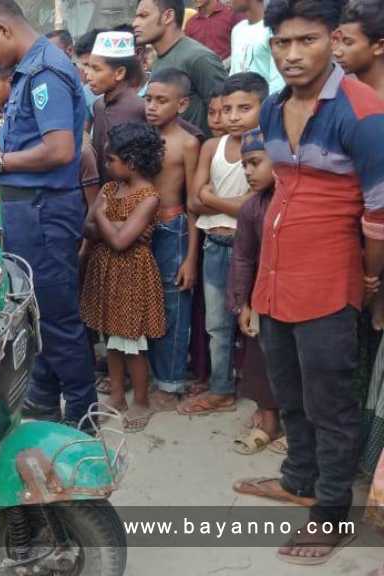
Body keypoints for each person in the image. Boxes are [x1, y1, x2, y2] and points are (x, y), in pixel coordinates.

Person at [231, 0, 384, 565]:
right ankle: (298, 478)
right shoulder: (271, 109)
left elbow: (380, 214)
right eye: (282, 43)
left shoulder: (362, 113)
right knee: (289, 393)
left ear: (335, 39)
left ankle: (330, 513)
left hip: (329, 281)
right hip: (276, 279)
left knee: (331, 405)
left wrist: (368, 277)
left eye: (308, 41)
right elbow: (279, 192)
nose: (293, 54)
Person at [0, 0, 98, 429]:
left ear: (4, 29)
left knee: (57, 316)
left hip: (44, 211)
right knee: (32, 308)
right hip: (29, 210)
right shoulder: (30, 70)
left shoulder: (45, 73)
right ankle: (43, 397)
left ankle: (84, 414)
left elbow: (60, 149)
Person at [180, 72, 268, 416]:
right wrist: (228, 203)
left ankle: (263, 398)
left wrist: (211, 198)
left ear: (264, 106)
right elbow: (193, 201)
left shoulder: (265, 148)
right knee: (217, 324)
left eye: (243, 108)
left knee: (257, 327)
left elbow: (251, 205)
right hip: (215, 245)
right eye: (227, 108)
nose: (233, 116)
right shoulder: (212, 147)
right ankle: (221, 389)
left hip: (252, 248)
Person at [81, 122, 166, 432]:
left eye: (111, 160)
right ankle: (117, 396)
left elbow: (118, 241)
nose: (106, 165)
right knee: (111, 339)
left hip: (132, 274)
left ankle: (141, 400)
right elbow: (87, 228)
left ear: (130, 162)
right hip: (106, 270)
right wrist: (111, 228)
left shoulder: (149, 197)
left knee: (132, 341)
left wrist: (104, 218)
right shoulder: (108, 189)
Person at [144, 67, 201, 407]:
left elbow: (194, 203)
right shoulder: (141, 136)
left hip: (173, 228)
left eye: (161, 101)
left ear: (181, 105)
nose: (152, 106)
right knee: (145, 301)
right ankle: (150, 374)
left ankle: (171, 381)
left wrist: (191, 257)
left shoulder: (187, 143)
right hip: (139, 230)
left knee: (174, 304)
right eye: (148, 99)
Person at [227, 127, 283, 455]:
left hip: (298, 297)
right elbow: (243, 258)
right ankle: (269, 422)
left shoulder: (300, 203)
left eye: (255, 163)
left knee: (302, 366)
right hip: (262, 299)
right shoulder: (252, 209)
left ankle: (302, 428)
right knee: (260, 361)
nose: (248, 171)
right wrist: (243, 304)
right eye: (244, 165)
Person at [134, 0, 228, 135]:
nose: (135, 23)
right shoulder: (158, 60)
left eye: (143, 16)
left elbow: (225, 112)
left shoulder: (198, 57)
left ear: (168, 16)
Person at [87, 30, 147, 185]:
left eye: (96, 69)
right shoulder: (98, 106)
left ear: (119, 73)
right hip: (105, 194)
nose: (88, 76)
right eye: (88, 67)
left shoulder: (141, 107)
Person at [229, 0, 285, 94]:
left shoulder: (272, 29)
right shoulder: (237, 29)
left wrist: (267, 106)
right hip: (238, 103)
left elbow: (278, 81)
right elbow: (234, 72)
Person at [335, 0, 384, 97]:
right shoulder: (340, 95)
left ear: (379, 46)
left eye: (348, 43)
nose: (336, 52)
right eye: (336, 41)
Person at [74, 28, 107, 131]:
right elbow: (84, 129)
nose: (87, 72)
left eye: (94, 67)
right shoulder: (87, 91)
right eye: (84, 65)